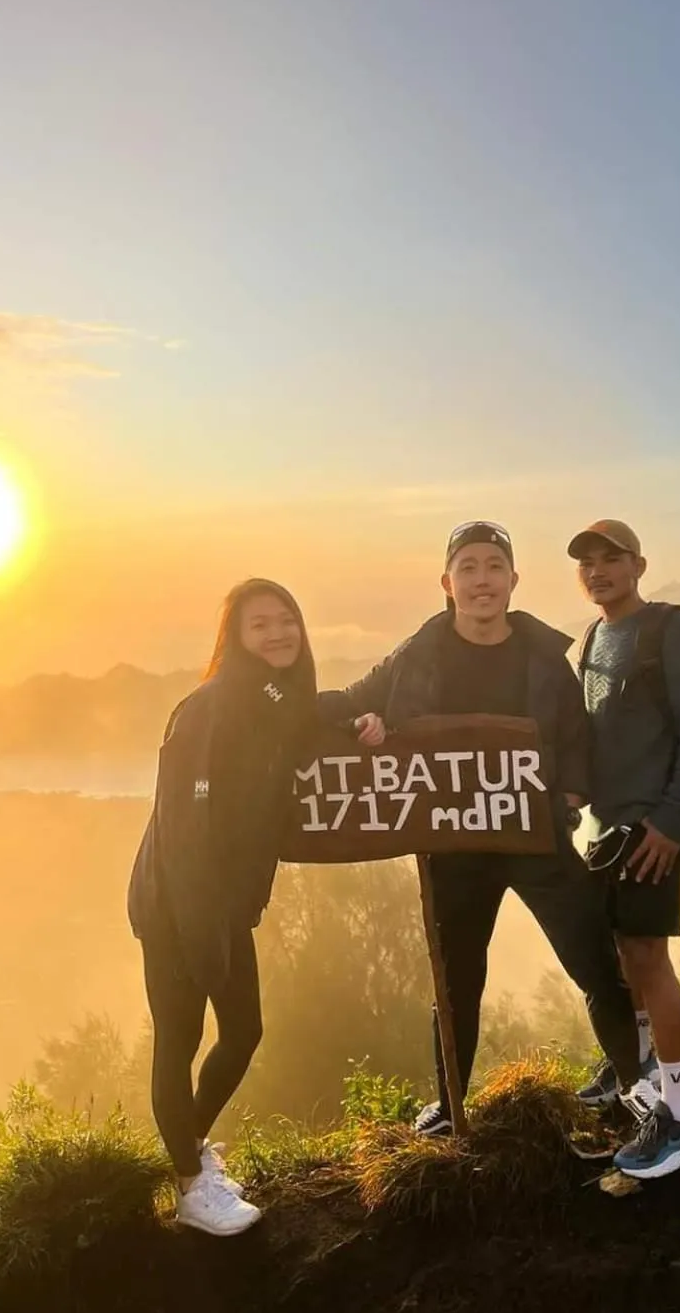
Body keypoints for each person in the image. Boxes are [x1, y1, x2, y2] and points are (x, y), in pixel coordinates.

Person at [320, 521, 648, 1136]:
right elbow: (349, 701)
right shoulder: (415, 656)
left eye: (494, 567)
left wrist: (568, 794)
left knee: (596, 965)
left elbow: (576, 739)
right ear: (447, 583)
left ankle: (636, 1090)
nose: (481, 580)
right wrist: (345, 718)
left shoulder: (546, 659)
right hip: (454, 849)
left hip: (537, 841)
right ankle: (451, 1108)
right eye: (468, 567)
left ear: (513, 580)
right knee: (456, 982)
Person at [128, 578, 323, 1234]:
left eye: (286, 620)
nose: (277, 633)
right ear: (235, 638)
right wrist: (197, 926)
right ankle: (190, 1184)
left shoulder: (277, 701)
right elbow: (185, 823)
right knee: (180, 1039)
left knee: (242, 1032)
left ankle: (186, 1153)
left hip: (224, 904)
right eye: (259, 624)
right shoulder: (211, 705)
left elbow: (315, 722)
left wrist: (364, 720)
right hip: (177, 901)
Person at [569, 519, 680, 1179]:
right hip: (612, 826)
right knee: (623, 955)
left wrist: (673, 820)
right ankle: (636, 1068)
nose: (599, 570)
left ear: (639, 565)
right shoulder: (594, 637)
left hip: (655, 825)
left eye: (613, 558)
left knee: (649, 960)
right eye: (588, 563)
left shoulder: (670, 628)